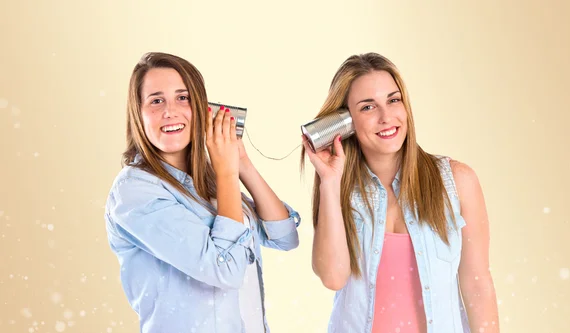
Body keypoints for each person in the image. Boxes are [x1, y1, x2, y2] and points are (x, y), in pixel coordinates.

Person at [301, 52, 499, 333]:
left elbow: (478, 284)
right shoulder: (337, 188)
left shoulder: (457, 181)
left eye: (393, 100)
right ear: (345, 121)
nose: (386, 117)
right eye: (367, 108)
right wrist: (330, 183)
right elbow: (333, 277)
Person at [104, 52, 301, 333]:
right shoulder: (135, 192)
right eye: (156, 100)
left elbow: (284, 236)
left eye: (183, 97)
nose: (170, 111)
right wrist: (227, 173)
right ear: (139, 114)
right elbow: (225, 270)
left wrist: (241, 164)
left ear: (201, 107)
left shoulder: (209, 183)